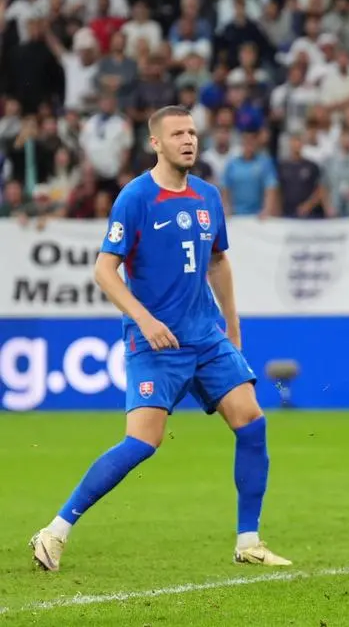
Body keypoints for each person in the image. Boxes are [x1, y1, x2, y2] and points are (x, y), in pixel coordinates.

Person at [30, 106, 290, 571]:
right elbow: (104, 270)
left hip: (206, 339)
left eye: (192, 131)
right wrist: (144, 319)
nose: (188, 140)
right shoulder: (136, 198)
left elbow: (219, 262)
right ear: (156, 143)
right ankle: (55, 532)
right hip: (155, 344)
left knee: (252, 422)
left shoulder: (208, 195)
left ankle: (248, 540)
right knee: (142, 443)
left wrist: (232, 328)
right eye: (177, 134)